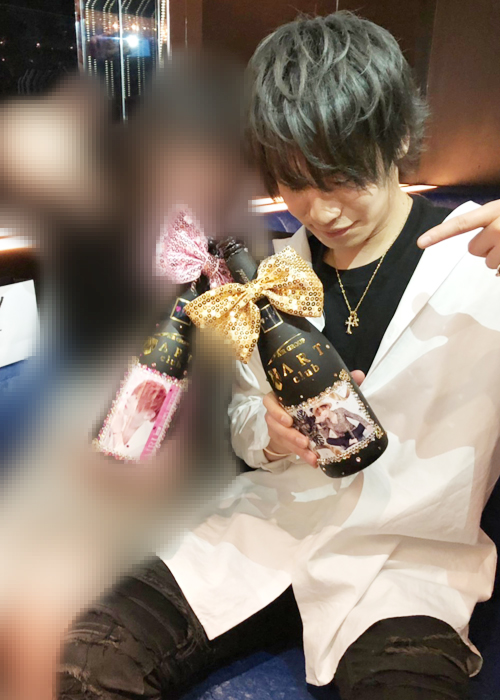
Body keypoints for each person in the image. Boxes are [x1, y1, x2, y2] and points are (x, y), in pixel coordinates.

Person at [58, 12, 500, 700]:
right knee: (80, 662)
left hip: (403, 565)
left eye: (342, 176)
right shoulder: (268, 275)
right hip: (259, 532)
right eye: (296, 182)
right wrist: (267, 433)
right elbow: (240, 417)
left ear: (398, 140)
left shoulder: (481, 265)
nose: (321, 211)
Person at [105, 380, 168, 458]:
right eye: (132, 394)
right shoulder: (115, 413)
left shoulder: (147, 445)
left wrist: (117, 433)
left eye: (137, 398)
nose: (129, 399)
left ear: (149, 415)